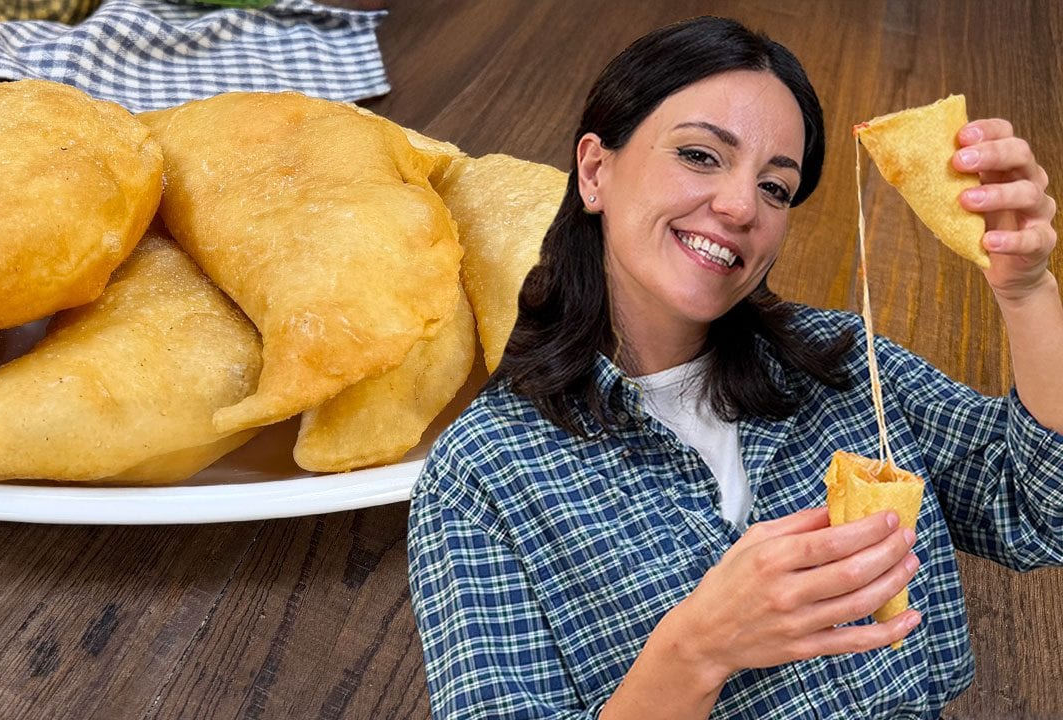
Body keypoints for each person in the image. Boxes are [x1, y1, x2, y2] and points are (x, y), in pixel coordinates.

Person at [406, 15, 1061, 720]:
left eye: (776, 188)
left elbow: (1037, 507)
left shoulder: (838, 366)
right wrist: (700, 647)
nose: (740, 205)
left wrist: (1028, 290)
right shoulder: (484, 473)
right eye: (700, 155)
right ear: (595, 171)